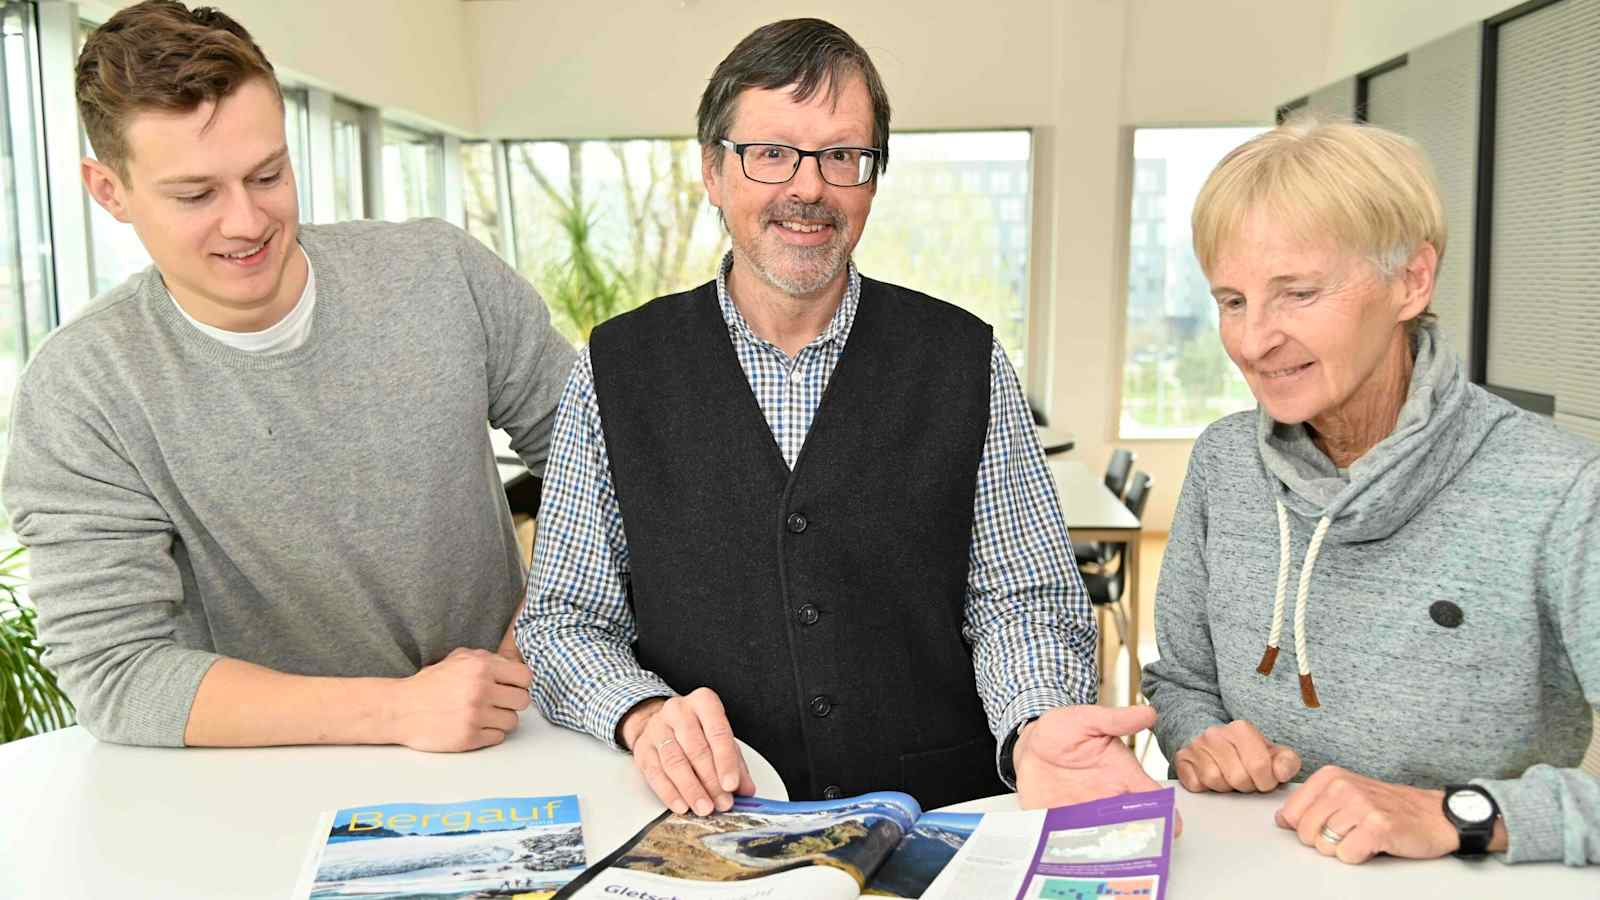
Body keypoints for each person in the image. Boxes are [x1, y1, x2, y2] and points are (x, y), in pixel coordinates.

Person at [518, 17, 1159, 816]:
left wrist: (1034, 722)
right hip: (711, 822)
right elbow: (564, 619)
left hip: (937, 816)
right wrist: (642, 714)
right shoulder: (614, 369)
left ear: (873, 177)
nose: (808, 188)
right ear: (713, 172)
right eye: (771, 152)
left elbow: (1022, 596)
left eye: (843, 155)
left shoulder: (966, 359)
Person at [1, 1, 575, 751]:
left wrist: (530, 642)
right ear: (109, 190)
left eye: (266, 174)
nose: (247, 221)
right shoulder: (83, 389)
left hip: (510, 733)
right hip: (260, 783)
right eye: (196, 194)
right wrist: (398, 711)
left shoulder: (442, 274)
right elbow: (116, 671)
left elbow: (612, 473)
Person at [1141, 116, 1598, 866]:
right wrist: (1198, 739)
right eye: (1232, 301)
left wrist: (1460, 815)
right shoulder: (1223, 462)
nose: (1255, 341)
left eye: (1298, 293)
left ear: (1411, 280)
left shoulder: (1560, 491)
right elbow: (1182, 680)